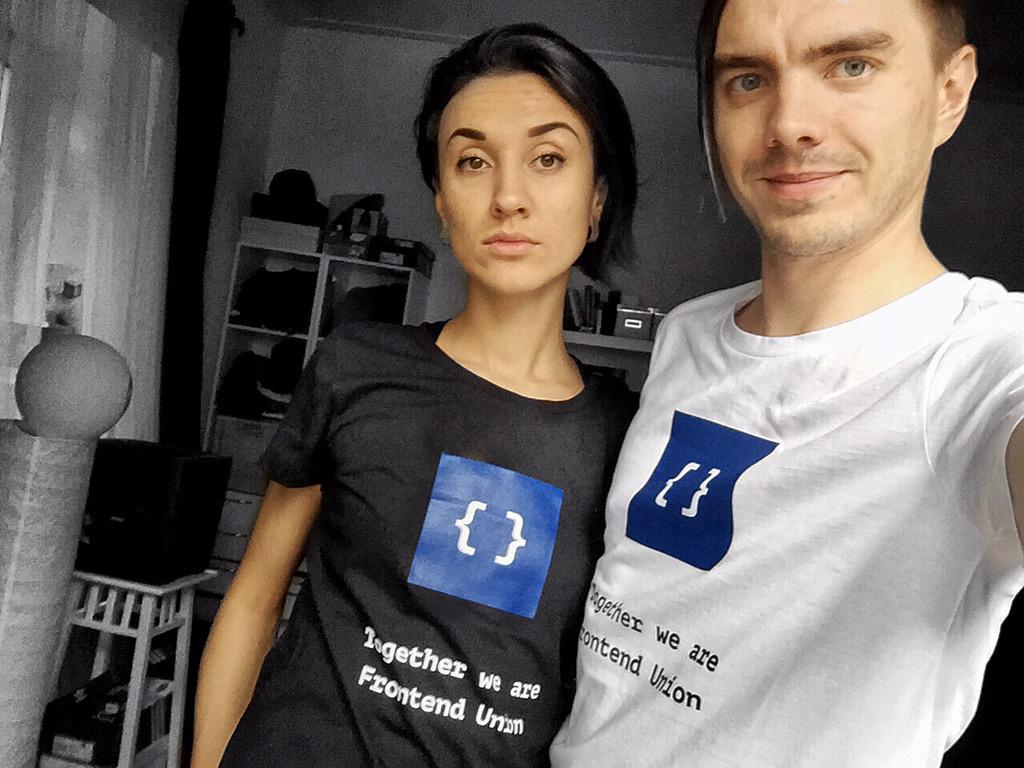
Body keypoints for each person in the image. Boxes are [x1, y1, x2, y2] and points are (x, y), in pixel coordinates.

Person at [551, 1, 1023, 766]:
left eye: (851, 66)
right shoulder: (688, 333)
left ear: (950, 91)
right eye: (747, 79)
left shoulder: (986, 360)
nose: (789, 124)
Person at [190, 23, 639, 768]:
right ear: (441, 197)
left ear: (597, 199)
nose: (508, 197)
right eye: (472, 161)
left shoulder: (630, 438)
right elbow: (254, 597)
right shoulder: (355, 365)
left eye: (548, 159)